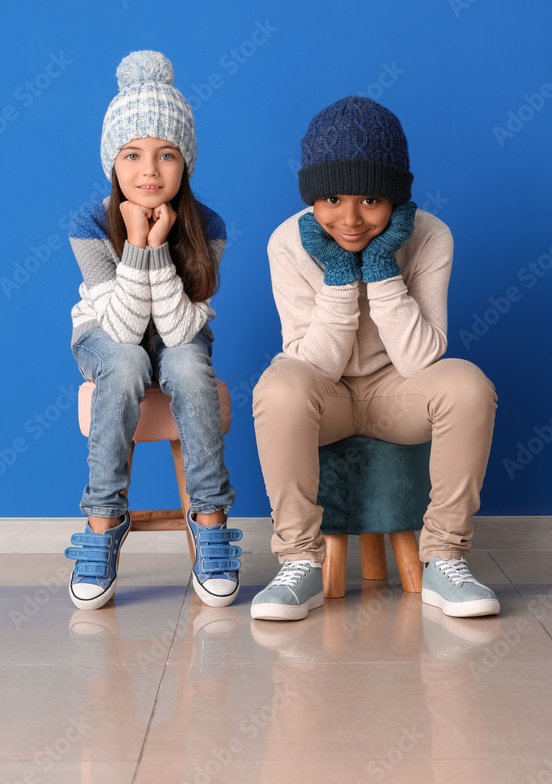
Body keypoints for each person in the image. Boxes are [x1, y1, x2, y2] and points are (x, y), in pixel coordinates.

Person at [251, 96, 499, 621]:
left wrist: (382, 269)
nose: (350, 219)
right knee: (279, 384)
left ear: (395, 197)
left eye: (370, 200)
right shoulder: (287, 244)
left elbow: (421, 358)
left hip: (398, 394)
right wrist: (341, 276)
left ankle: (446, 558)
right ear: (312, 196)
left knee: (468, 383)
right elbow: (311, 365)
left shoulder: (430, 235)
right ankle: (298, 562)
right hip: (327, 395)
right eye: (333, 198)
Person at [64, 50, 241, 611]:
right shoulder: (90, 225)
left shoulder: (207, 227)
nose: (149, 171)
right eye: (132, 155)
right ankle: (102, 522)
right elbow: (118, 327)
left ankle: (210, 519)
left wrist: (158, 248)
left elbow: (183, 324)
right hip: (105, 333)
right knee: (126, 361)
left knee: (187, 362)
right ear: (111, 164)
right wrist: (136, 244)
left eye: (166, 156)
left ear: (185, 163)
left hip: (176, 328)